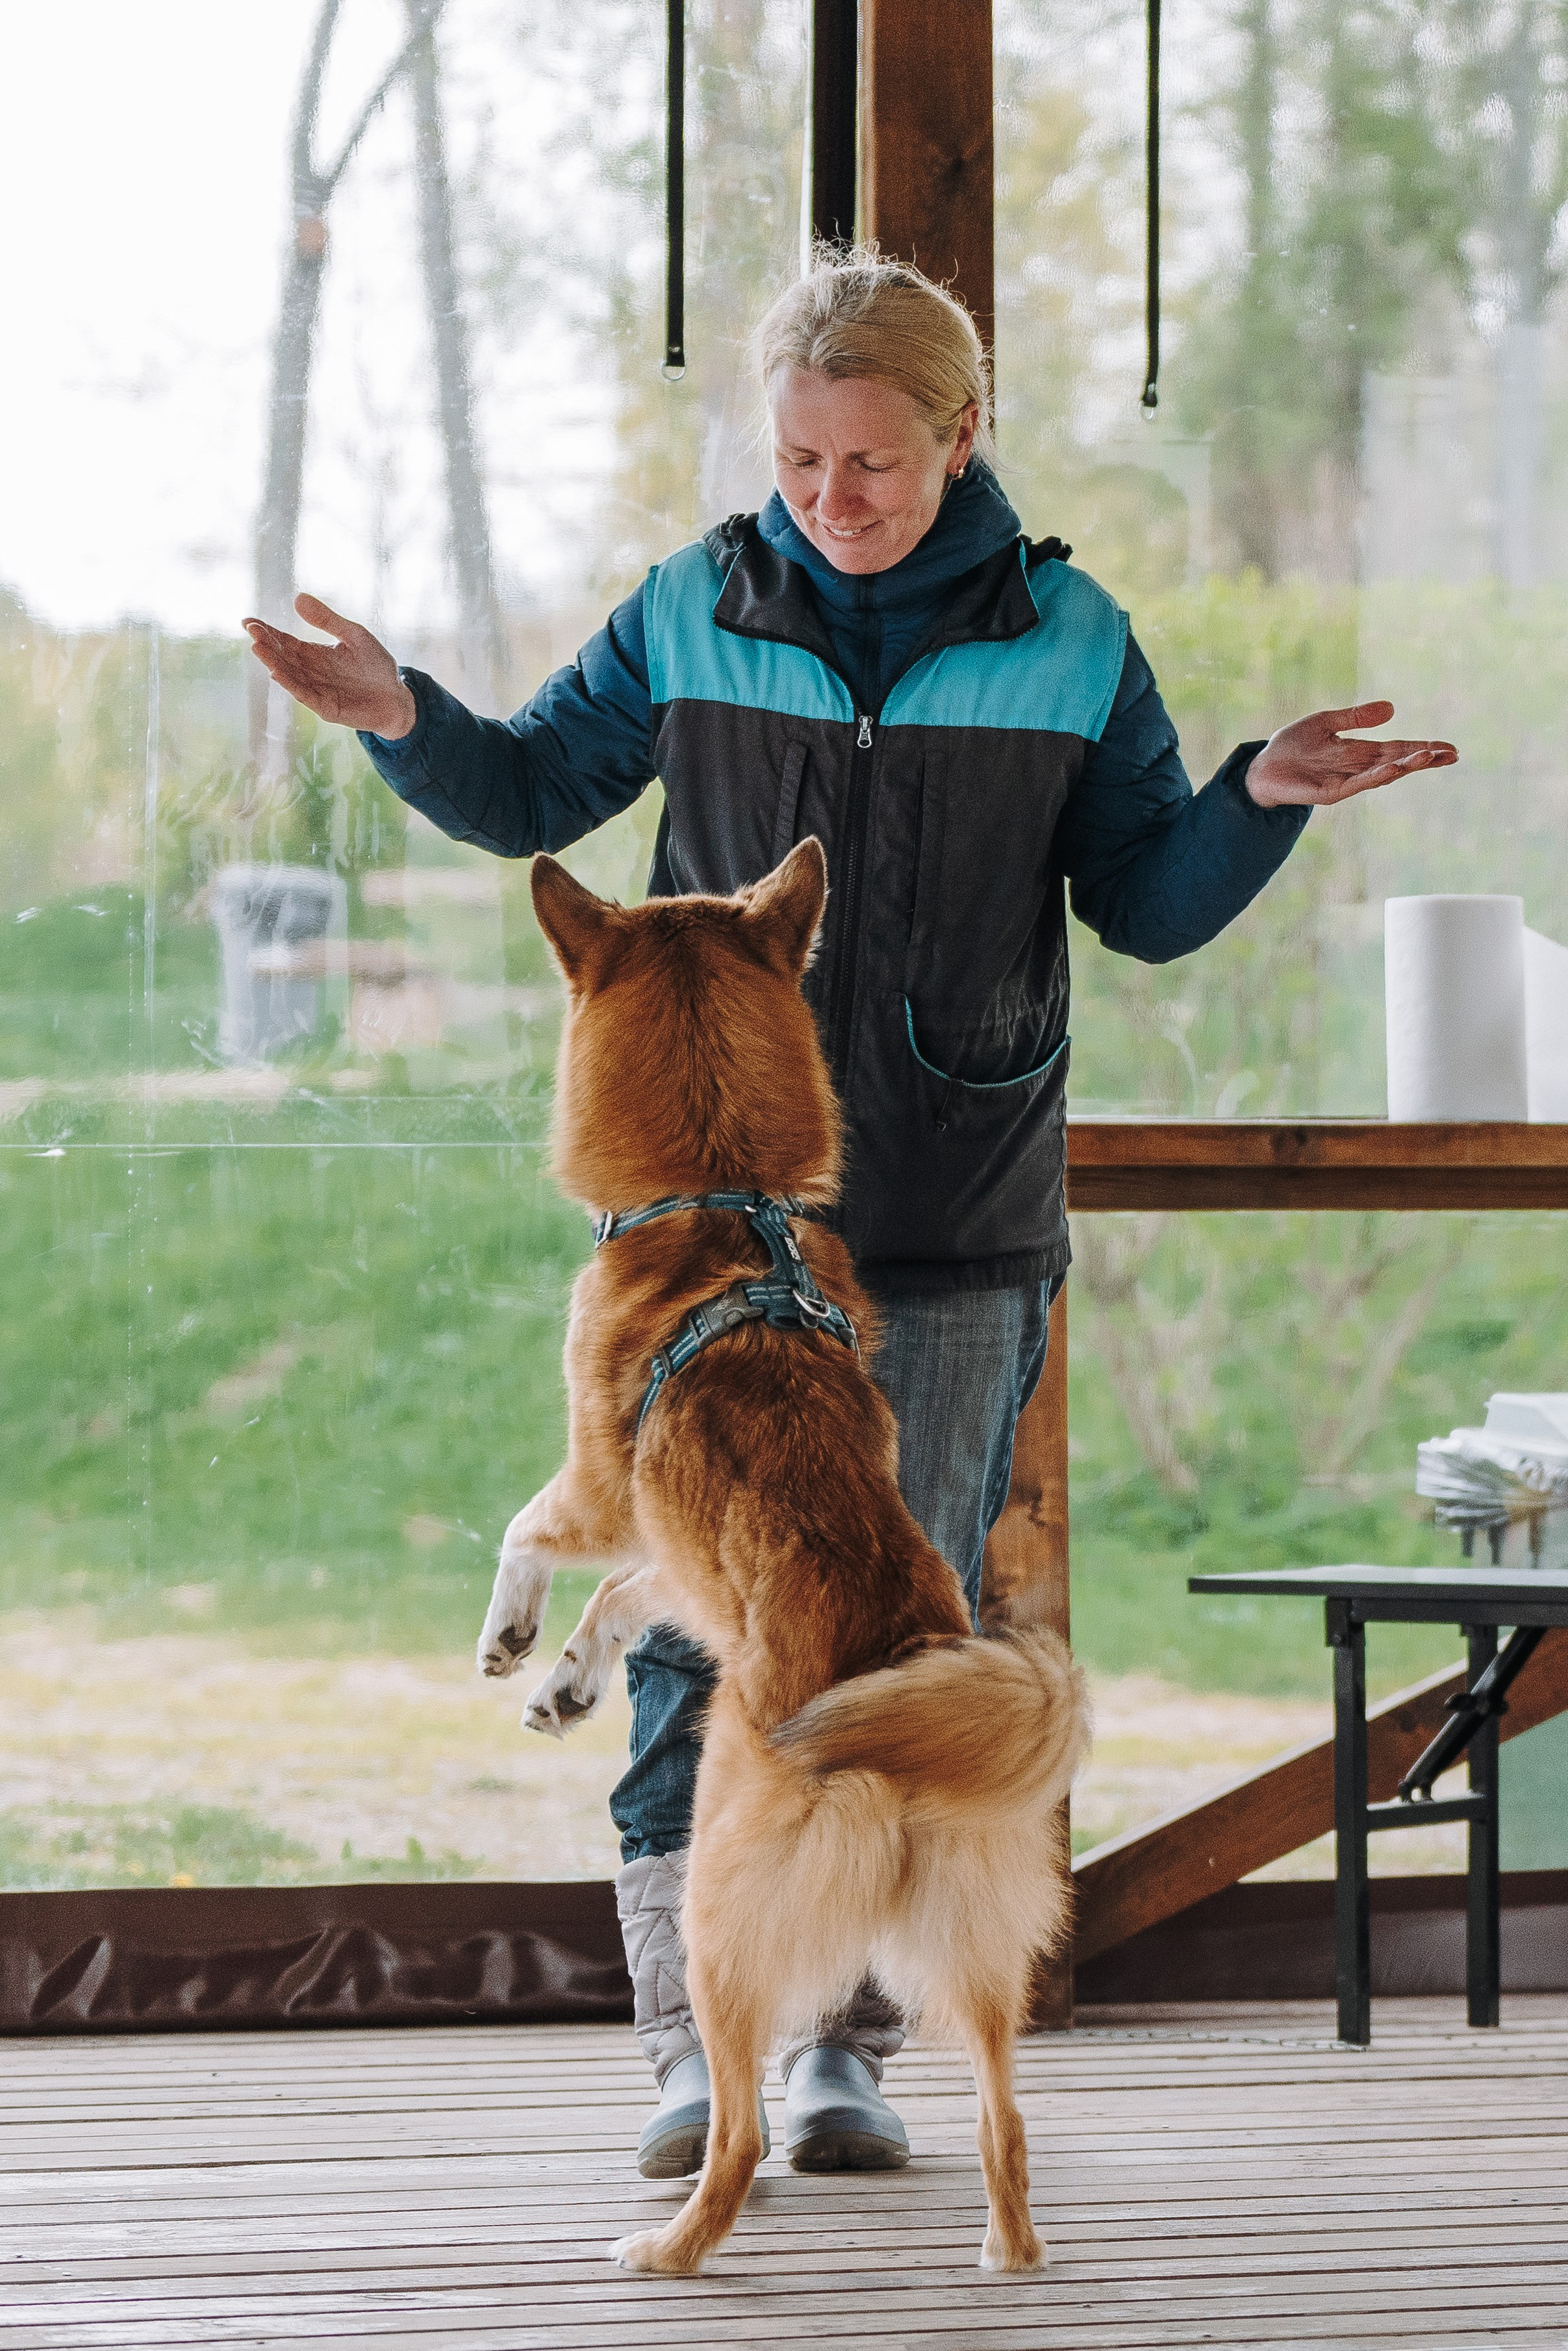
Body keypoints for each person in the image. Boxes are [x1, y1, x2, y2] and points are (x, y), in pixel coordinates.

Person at [246, 247, 1456, 2178]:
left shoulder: (1070, 640)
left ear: (962, 435)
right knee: (687, 1625)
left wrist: (1259, 795)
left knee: (907, 1627)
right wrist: (403, 709)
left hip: (955, 1218)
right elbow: (535, 786)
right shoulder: (691, 607)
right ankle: (693, 2033)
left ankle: (851, 2045)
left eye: (872, 462)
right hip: (720, 1241)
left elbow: (1144, 898)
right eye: (802, 460)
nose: (832, 497)